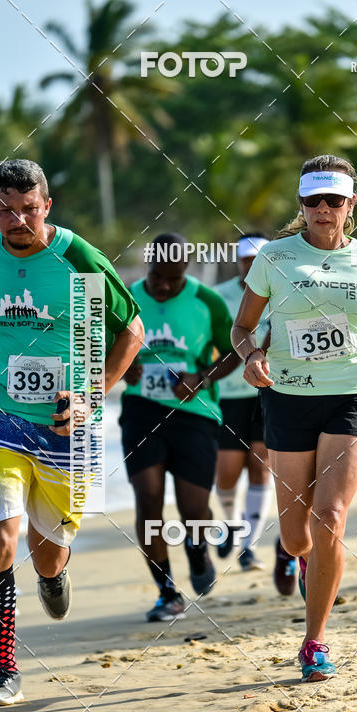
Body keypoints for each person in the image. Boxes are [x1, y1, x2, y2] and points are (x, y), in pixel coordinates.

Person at [231, 154, 357, 681]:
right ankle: (303, 559)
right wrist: (251, 357)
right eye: (313, 201)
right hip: (287, 397)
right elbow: (242, 329)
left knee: (330, 515)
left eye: (334, 200)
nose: (323, 209)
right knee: (294, 535)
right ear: (301, 205)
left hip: (352, 394)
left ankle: (314, 642)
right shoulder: (274, 258)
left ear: (351, 205)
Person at [0, 159, 143, 704]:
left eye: (28, 210)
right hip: (1, 420)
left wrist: (93, 392)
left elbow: (131, 329)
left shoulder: (77, 257)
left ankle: (53, 576)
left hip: (65, 429)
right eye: (6, 210)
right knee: (0, 539)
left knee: (48, 551)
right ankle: (4, 661)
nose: (17, 220)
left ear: (47, 207)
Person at [120, 233, 240, 621]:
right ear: (148, 265)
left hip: (195, 413)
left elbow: (235, 350)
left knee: (193, 508)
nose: (165, 286)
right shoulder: (125, 298)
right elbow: (102, 345)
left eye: (174, 279)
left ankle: (197, 549)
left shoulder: (207, 301)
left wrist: (203, 377)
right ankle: (166, 591)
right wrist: (123, 365)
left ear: (186, 270)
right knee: (148, 497)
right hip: (141, 408)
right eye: (158, 277)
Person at [213, 234, 276, 575]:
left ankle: (248, 547)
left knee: (260, 465)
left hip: (269, 392)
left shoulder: (281, 289)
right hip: (228, 394)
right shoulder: (221, 296)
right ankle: (233, 525)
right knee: (226, 473)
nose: (251, 264)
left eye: (258, 258)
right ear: (237, 260)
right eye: (246, 258)